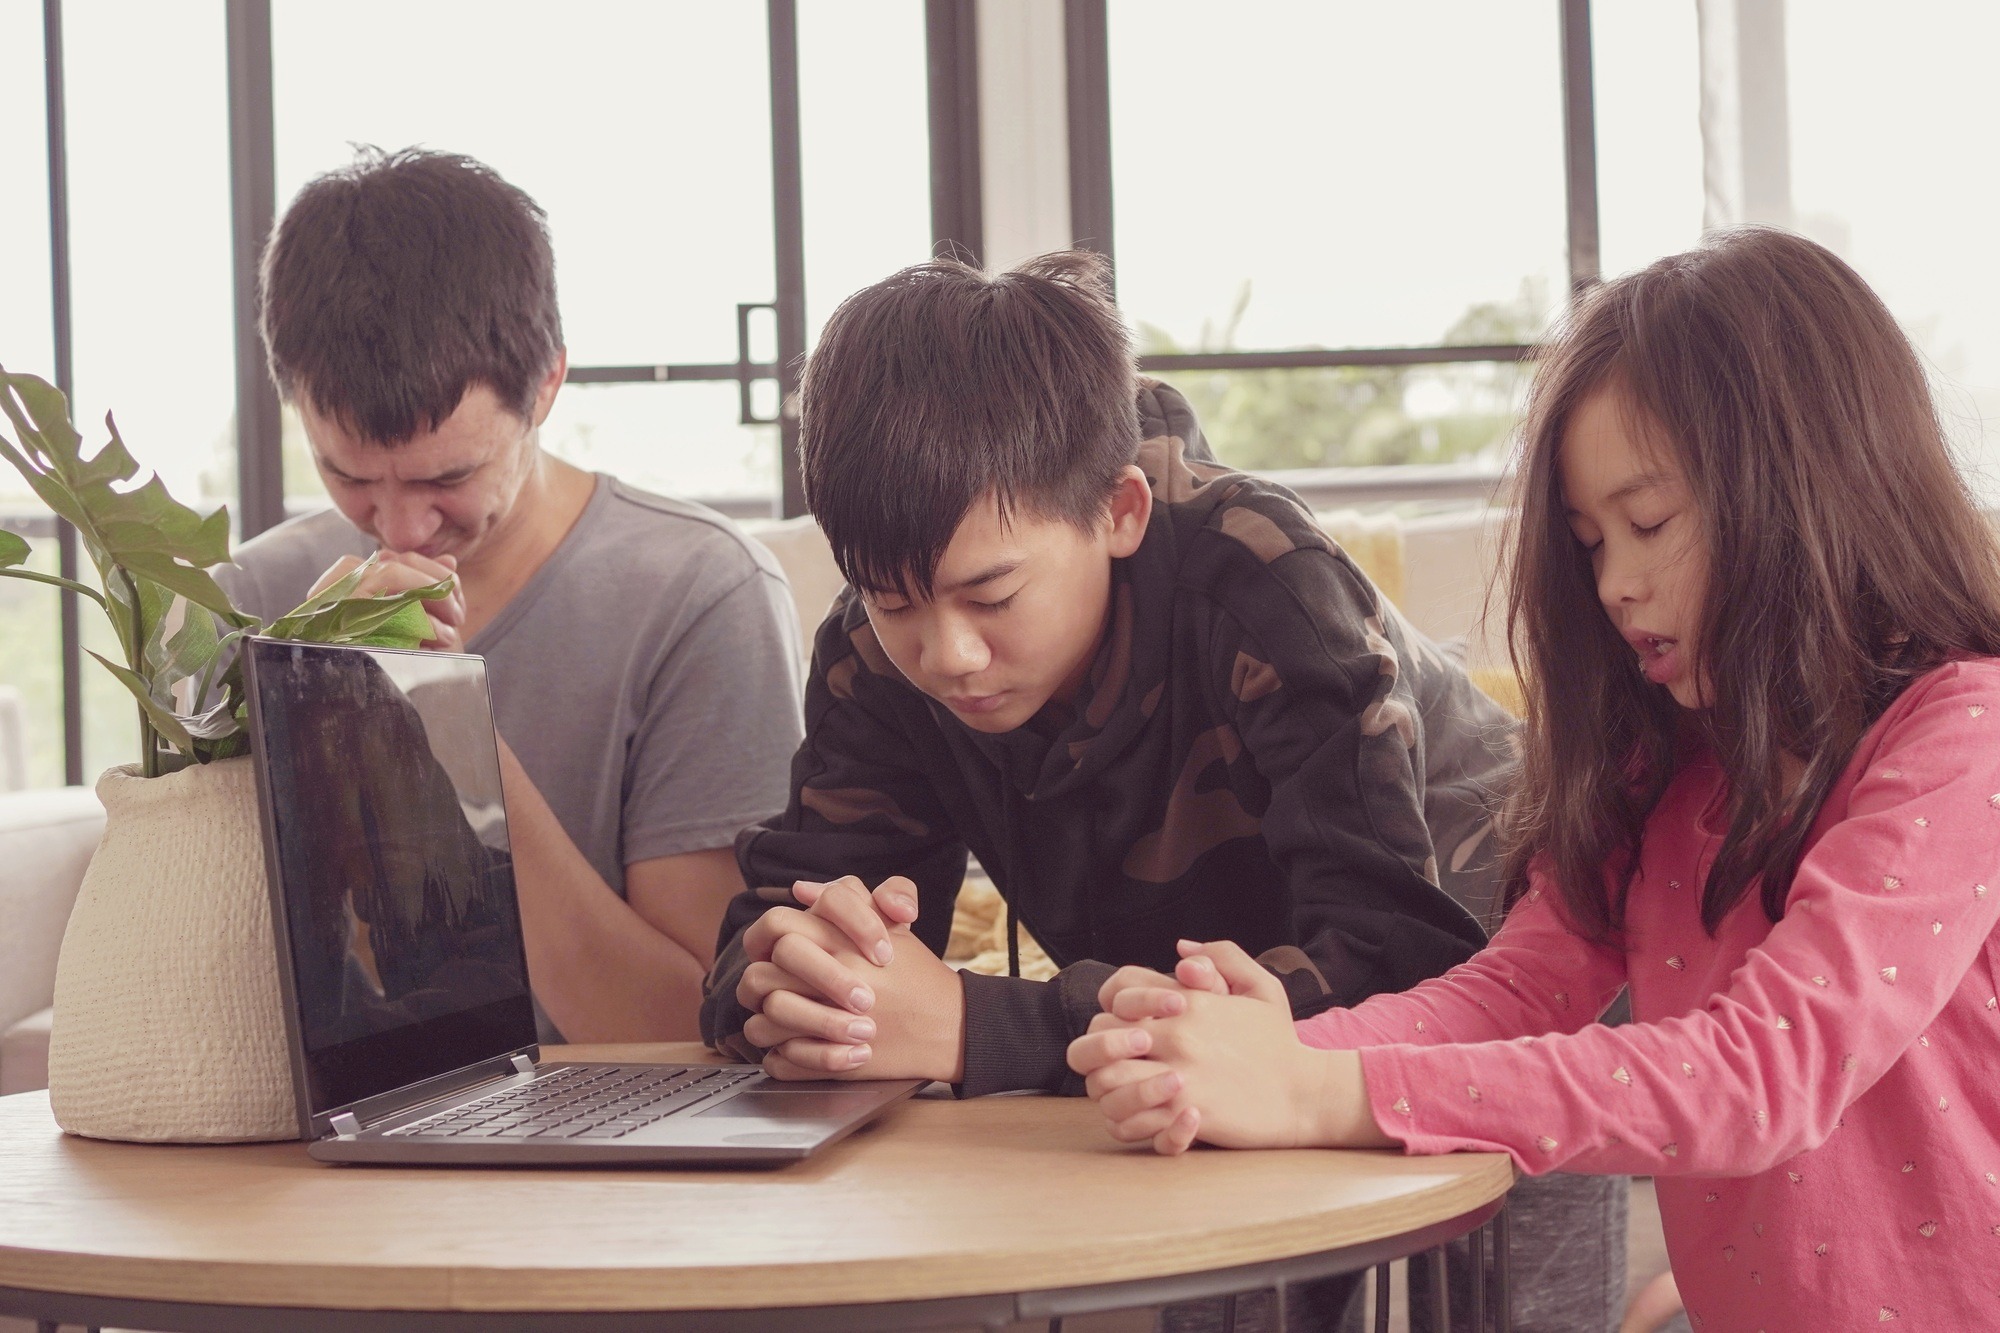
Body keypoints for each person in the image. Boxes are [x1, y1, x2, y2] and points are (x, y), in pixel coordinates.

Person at [1068, 228, 2000, 1332]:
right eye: (1589, 541)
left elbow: (1765, 1071)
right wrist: (1253, 1050)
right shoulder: (1660, 766)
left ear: (1809, 488)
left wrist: (1314, 1090)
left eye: (1647, 523)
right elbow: (1504, 994)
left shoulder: (1964, 733)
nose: (1614, 582)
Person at [699, 252, 1626, 1331]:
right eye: (890, 598)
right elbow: (754, 949)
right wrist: (799, 974)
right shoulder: (874, 656)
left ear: (1120, 510)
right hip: (1206, 1014)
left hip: (1496, 966)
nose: (944, 653)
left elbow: (1393, 965)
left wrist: (967, 1023)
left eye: (989, 595)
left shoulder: (1266, 578)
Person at [219, 147, 804, 1044]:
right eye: (348, 476)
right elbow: (247, 1004)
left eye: (447, 475)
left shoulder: (698, 595)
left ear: (548, 386)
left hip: (631, 1148)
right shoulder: (254, 595)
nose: (401, 527)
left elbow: (692, 1035)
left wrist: (453, 731)